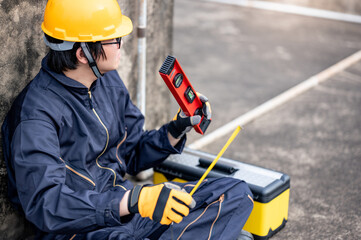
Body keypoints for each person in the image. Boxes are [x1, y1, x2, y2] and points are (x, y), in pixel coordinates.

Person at [1, 0, 254, 239]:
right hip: (83, 229)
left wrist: (176, 129)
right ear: (83, 53)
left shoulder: (107, 80)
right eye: (115, 39)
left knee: (236, 193)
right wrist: (133, 201)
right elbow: (47, 205)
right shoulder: (36, 114)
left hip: (130, 211)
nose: (121, 44)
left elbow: (131, 153)